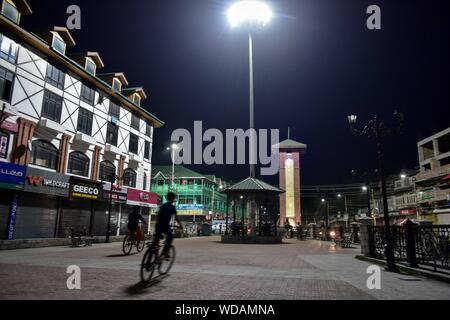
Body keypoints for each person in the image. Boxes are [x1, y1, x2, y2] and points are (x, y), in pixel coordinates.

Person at [155, 192, 182, 258]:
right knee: (170, 237)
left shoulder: (163, 206)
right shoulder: (172, 207)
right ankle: (165, 252)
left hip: (158, 225)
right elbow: (176, 217)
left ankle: (154, 254)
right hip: (165, 226)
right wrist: (180, 225)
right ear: (173, 199)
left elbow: (158, 215)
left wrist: (157, 223)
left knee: (156, 240)